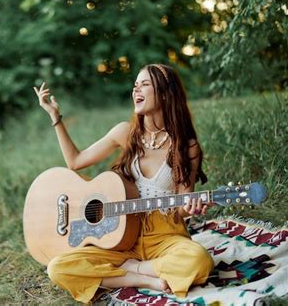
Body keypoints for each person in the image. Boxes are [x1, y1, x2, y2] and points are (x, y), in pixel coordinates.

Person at [32, 64, 215, 303]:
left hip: (164, 235)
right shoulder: (125, 132)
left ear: (165, 92)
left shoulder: (186, 147)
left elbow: (182, 207)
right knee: (57, 267)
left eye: (145, 84)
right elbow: (75, 161)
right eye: (135, 85)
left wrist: (191, 207)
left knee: (199, 261)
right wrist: (55, 117)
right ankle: (140, 277)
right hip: (118, 235)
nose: (136, 90)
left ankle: (133, 269)